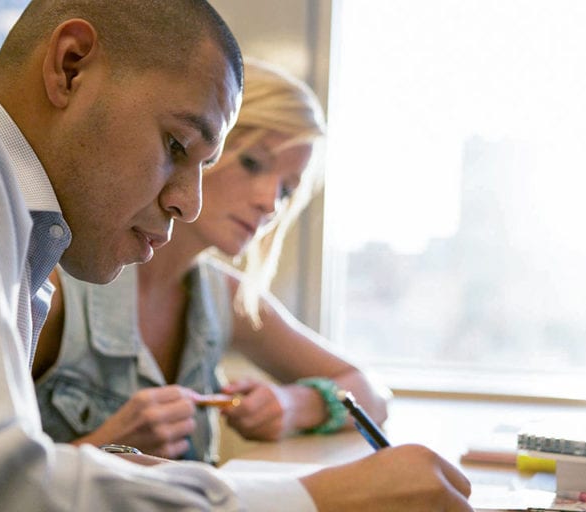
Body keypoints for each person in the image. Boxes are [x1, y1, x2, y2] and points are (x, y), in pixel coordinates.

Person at [0, 1, 474, 511]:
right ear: (71, 65)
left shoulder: (25, 247)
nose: (188, 204)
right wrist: (314, 499)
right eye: (176, 143)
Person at [33, 59, 392, 465]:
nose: (269, 202)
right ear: (198, 143)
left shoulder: (228, 297)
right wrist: (103, 451)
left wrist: (294, 405)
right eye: (253, 163)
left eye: (287, 190)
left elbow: (372, 393)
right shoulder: (52, 286)